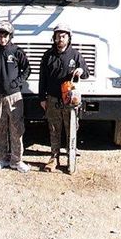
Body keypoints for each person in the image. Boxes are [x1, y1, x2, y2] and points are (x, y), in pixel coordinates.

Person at [0, 20, 31, 172]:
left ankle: (17, 160)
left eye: (5, 35)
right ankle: (2, 158)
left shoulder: (17, 52)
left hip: (14, 97)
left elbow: (27, 69)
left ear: (10, 36)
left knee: (17, 129)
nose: (2, 38)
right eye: (0, 35)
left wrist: (17, 83)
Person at [39, 23, 88, 172]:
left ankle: (71, 158)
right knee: (54, 129)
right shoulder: (48, 56)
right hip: (53, 99)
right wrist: (42, 98)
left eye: (63, 36)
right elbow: (42, 79)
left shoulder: (76, 55)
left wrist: (80, 70)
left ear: (68, 38)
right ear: (54, 38)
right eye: (58, 36)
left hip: (70, 100)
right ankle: (54, 158)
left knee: (71, 129)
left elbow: (86, 73)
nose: (60, 39)